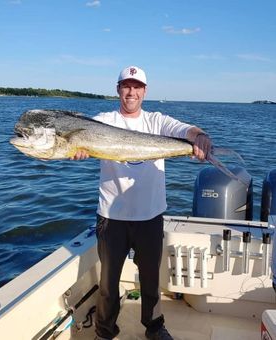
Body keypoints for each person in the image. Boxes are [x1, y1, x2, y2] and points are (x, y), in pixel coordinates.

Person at [72, 66, 212, 340]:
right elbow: (79, 135)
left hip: (150, 216)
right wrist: (75, 149)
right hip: (111, 217)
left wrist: (200, 136)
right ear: (118, 89)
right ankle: (104, 331)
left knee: (150, 279)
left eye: (137, 86)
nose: (131, 91)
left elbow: (184, 129)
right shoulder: (103, 120)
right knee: (108, 285)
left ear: (144, 91)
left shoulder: (156, 121)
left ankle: (155, 326)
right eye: (126, 86)